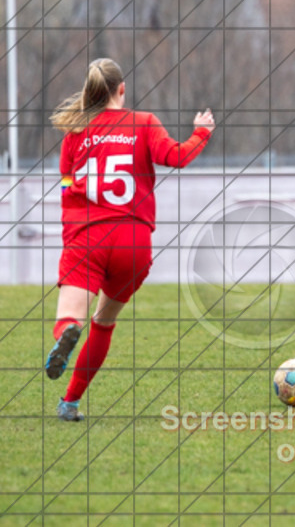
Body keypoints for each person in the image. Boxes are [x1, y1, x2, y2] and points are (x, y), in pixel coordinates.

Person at [44, 58, 215, 421]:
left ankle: (67, 332)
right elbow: (176, 157)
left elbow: (66, 189)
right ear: (122, 89)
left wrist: (72, 236)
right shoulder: (144, 123)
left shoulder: (75, 131)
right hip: (133, 243)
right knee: (103, 323)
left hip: (88, 237)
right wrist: (201, 132)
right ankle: (70, 402)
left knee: (70, 317)